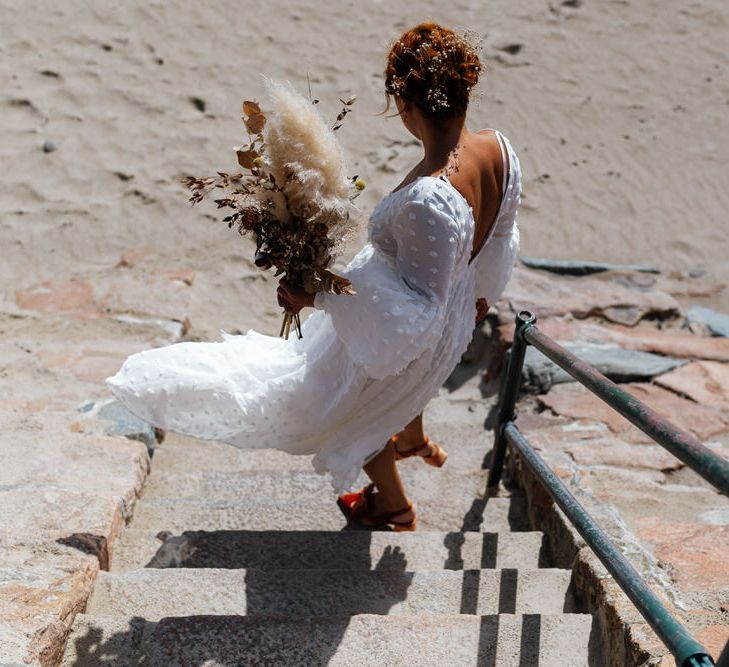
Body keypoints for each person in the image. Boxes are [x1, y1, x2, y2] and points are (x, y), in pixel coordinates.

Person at [107, 21, 521, 532]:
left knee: (347, 410)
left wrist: (319, 292)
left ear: (406, 106)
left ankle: (393, 506)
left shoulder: (430, 200)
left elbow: (413, 319)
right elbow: (501, 237)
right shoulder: (499, 150)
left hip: (402, 334)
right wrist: (480, 296)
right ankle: (410, 439)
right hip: (455, 314)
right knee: (385, 398)